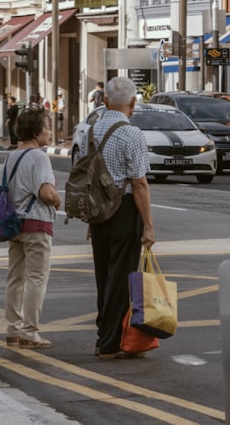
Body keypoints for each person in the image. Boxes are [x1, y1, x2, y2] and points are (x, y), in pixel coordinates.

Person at [85, 77, 155, 359]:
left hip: (98, 210)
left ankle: (105, 333)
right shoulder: (132, 133)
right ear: (133, 103)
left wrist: (91, 219)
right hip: (124, 210)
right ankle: (110, 343)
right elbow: (139, 183)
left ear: (104, 101)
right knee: (122, 276)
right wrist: (149, 225)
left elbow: (89, 176)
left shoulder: (92, 129)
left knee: (104, 275)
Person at [4, 106, 61, 349]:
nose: (50, 131)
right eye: (47, 127)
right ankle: (30, 331)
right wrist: (58, 200)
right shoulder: (39, 157)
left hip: (14, 224)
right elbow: (46, 193)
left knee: (15, 278)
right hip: (37, 224)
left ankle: (13, 330)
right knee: (37, 278)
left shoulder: (12, 155)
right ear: (37, 133)